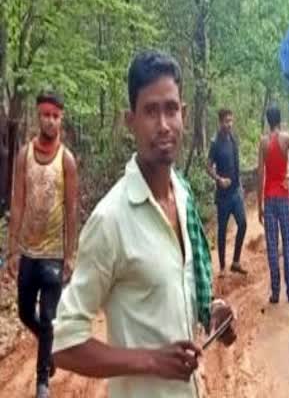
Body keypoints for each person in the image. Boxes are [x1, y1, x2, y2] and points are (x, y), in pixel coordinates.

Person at [52, 50, 236, 397]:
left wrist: (212, 313)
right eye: (151, 111)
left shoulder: (182, 195)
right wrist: (151, 361)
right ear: (130, 120)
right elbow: (62, 342)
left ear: (184, 115)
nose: (164, 124)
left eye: (171, 109)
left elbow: (174, 296)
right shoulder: (111, 220)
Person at [6, 91, 79, 398]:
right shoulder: (24, 155)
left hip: (53, 254)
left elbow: (72, 209)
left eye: (56, 116)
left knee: (48, 316)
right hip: (28, 253)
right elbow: (18, 202)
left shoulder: (67, 160)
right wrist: (12, 249)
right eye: (46, 115)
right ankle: (48, 345)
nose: (50, 120)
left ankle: (41, 383)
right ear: (39, 116)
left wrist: (70, 254)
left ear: (61, 118)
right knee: (25, 314)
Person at [257, 104, 289, 303]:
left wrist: (259, 205)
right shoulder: (285, 139)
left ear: (268, 120)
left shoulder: (262, 142)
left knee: (272, 245)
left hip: (269, 198)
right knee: (287, 244)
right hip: (284, 196)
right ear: (280, 120)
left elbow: (260, 174)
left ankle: (275, 293)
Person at [207, 108, 248, 275]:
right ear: (220, 122)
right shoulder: (215, 143)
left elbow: (236, 165)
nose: (229, 124)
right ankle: (223, 266)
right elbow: (208, 167)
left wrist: (240, 186)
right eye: (226, 121)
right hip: (223, 196)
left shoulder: (233, 139)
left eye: (231, 121)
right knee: (222, 230)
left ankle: (236, 261)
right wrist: (218, 179)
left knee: (243, 224)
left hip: (235, 193)